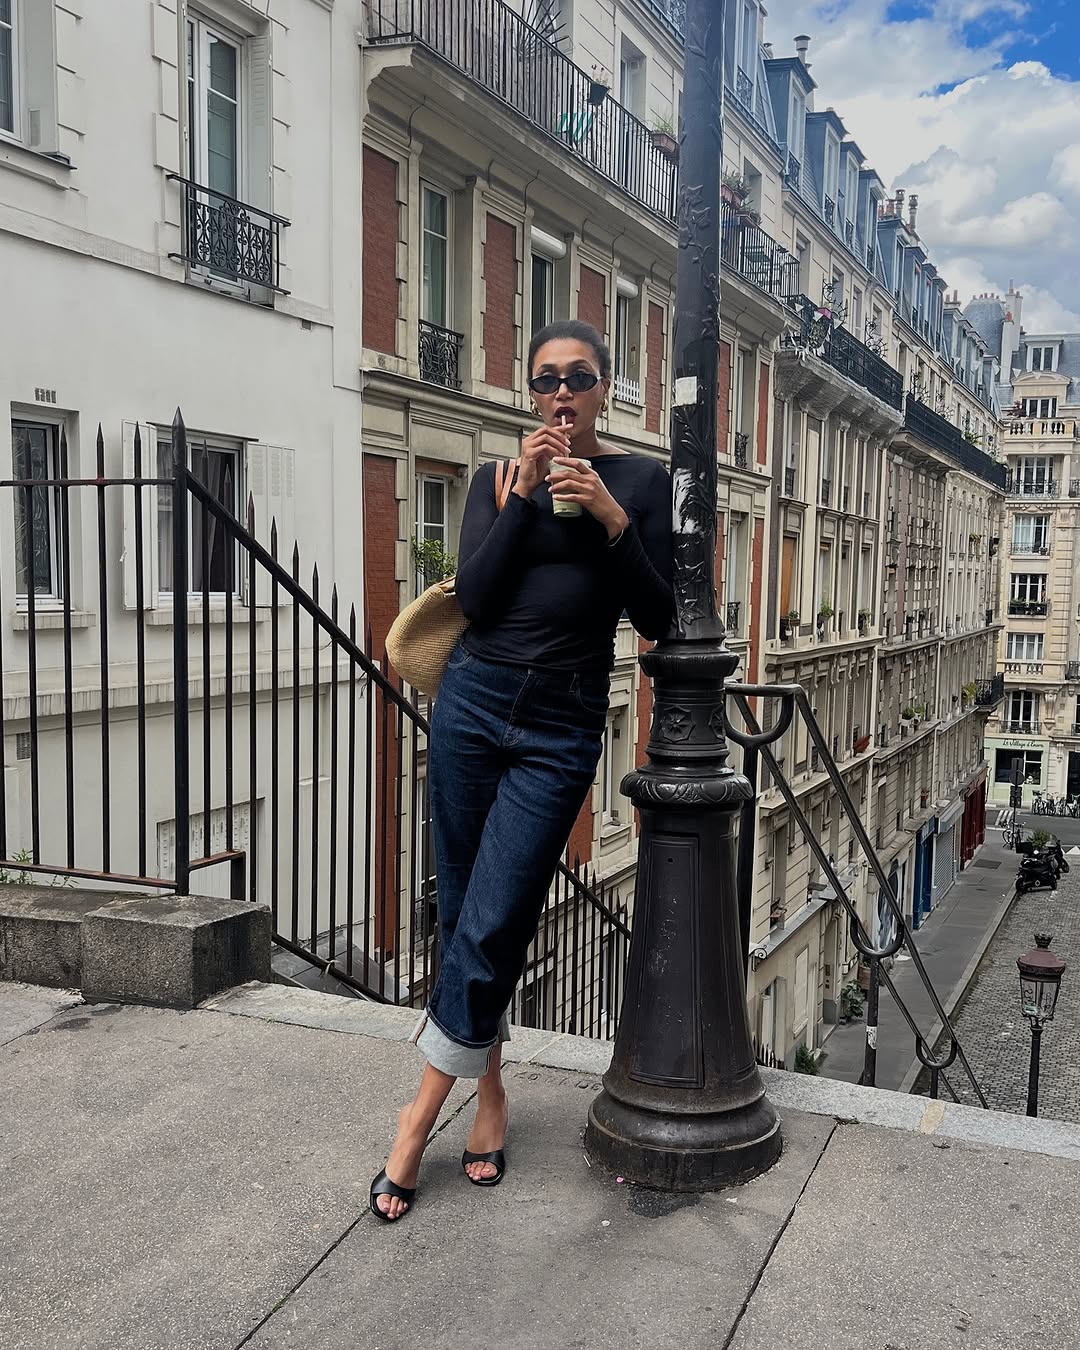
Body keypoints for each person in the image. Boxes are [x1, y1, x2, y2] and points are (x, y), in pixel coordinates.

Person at [370, 320, 674, 1221]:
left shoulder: (641, 484)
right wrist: (520, 501)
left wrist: (615, 521)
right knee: (463, 907)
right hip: (472, 701)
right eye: (546, 381)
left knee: (500, 910)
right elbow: (479, 593)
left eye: (579, 377)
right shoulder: (499, 479)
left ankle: (416, 1118)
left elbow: (658, 615)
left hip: (562, 719)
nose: (562, 394)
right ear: (529, 394)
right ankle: (489, 1096)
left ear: (604, 390)